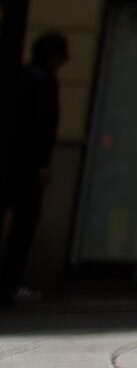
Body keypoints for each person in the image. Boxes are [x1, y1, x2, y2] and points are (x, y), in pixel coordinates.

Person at [3, 33, 64, 302]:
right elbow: (42, 125)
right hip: (27, 165)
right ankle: (9, 284)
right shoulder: (44, 81)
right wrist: (42, 163)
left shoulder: (19, 76)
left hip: (8, 161)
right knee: (23, 226)